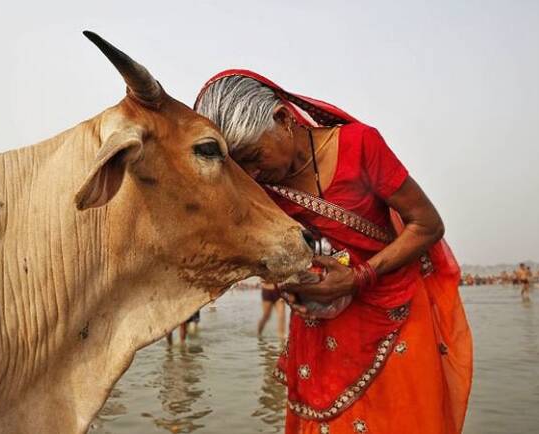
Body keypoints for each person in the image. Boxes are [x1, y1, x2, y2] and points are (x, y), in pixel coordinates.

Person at [195, 71, 472, 434]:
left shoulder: (360, 146)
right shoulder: (261, 188)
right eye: (240, 166)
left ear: (283, 119)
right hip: (323, 323)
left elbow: (427, 224)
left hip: (395, 306)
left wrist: (358, 278)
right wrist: (291, 283)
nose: (252, 173)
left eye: (254, 156)